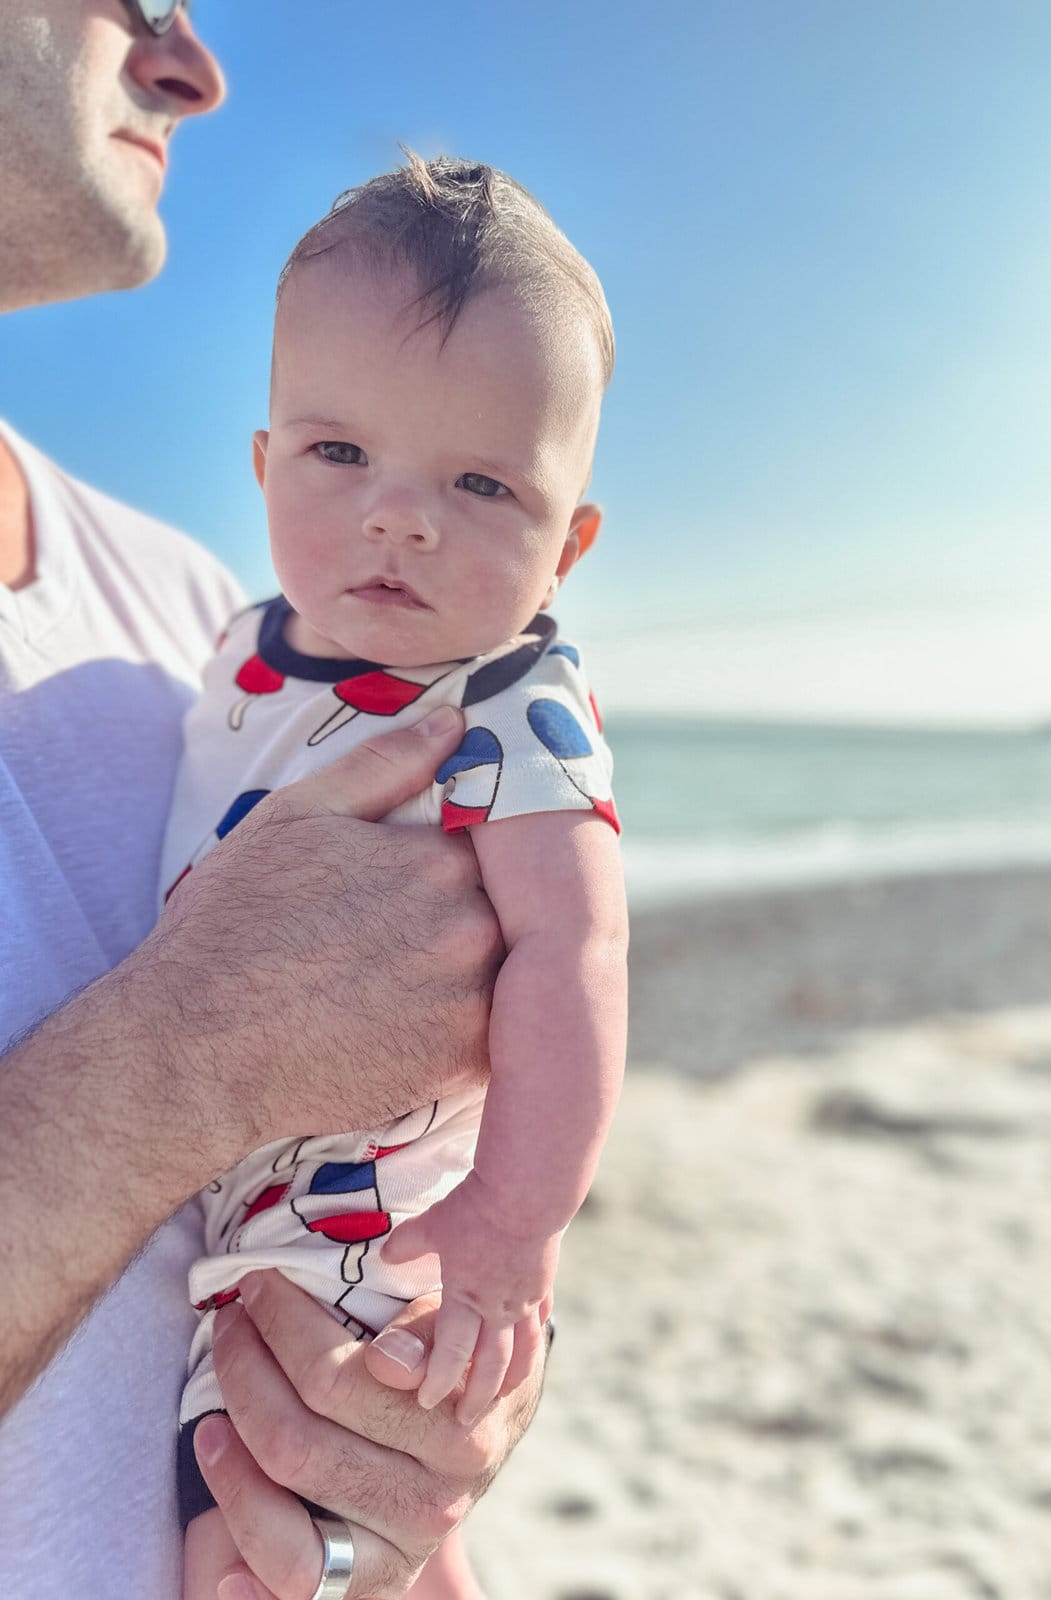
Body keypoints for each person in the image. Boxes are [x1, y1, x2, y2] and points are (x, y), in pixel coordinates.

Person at [0, 4, 551, 1597]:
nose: (193, 66)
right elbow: (223, 1056)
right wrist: (187, 1055)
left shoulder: (194, 611)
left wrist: (406, 1440)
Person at [167, 153, 629, 1600]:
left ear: (568, 545)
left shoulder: (511, 695)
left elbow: (575, 954)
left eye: (482, 482)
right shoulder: (235, 641)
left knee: (241, 1545)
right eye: (338, 455)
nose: (400, 515)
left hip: (371, 1219)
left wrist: (512, 1224)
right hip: (228, 1202)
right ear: (261, 467)